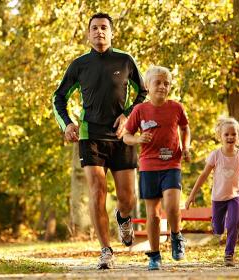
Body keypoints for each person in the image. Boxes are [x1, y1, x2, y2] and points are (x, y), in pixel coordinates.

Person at [52, 13, 147, 269]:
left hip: (120, 138)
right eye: (94, 28)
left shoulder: (126, 61)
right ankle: (105, 250)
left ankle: (123, 218)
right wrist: (68, 123)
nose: (99, 32)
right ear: (88, 33)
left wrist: (128, 117)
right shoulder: (79, 65)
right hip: (90, 135)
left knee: (128, 199)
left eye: (104, 27)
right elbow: (58, 98)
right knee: (97, 191)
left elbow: (144, 93)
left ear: (111, 32)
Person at [122, 65, 191, 270]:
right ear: (147, 85)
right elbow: (126, 136)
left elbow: (185, 128)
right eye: (157, 83)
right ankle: (154, 254)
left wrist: (186, 147)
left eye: (166, 83)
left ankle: (176, 235)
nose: (162, 86)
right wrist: (138, 138)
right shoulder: (140, 110)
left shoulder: (176, 107)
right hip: (148, 165)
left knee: (171, 206)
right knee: (152, 214)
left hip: (172, 163)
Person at [185, 117, 239, 267]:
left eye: (233, 134)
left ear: (238, 136)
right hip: (218, 197)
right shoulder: (215, 155)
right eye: (226, 134)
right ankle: (217, 225)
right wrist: (192, 195)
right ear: (220, 136)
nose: (230, 137)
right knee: (218, 228)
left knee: (234, 222)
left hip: (235, 196)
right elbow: (203, 175)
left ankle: (229, 254)